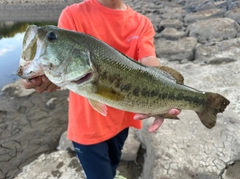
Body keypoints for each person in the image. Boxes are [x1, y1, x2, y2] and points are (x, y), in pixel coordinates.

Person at [22, 0, 181, 178]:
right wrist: (44, 77)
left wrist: (168, 92)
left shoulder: (141, 23)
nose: (49, 38)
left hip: (121, 121)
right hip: (86, 128)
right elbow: (62, 67)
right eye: (51, 37)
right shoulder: (73, 15)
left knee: (114, 162)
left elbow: (149, 62)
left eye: (51, 37)